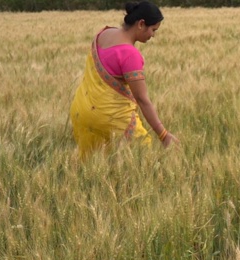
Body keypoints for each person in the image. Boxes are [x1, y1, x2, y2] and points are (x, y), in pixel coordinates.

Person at [69, 1, 177, 158]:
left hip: (81, 111)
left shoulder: (103, 33)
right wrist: (163, 134)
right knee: (142, 156)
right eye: (153, 30)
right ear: (141, 24)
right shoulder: (129, 54)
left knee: (95, 163)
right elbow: (142, 99)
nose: (153, 35)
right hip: (108, 118)